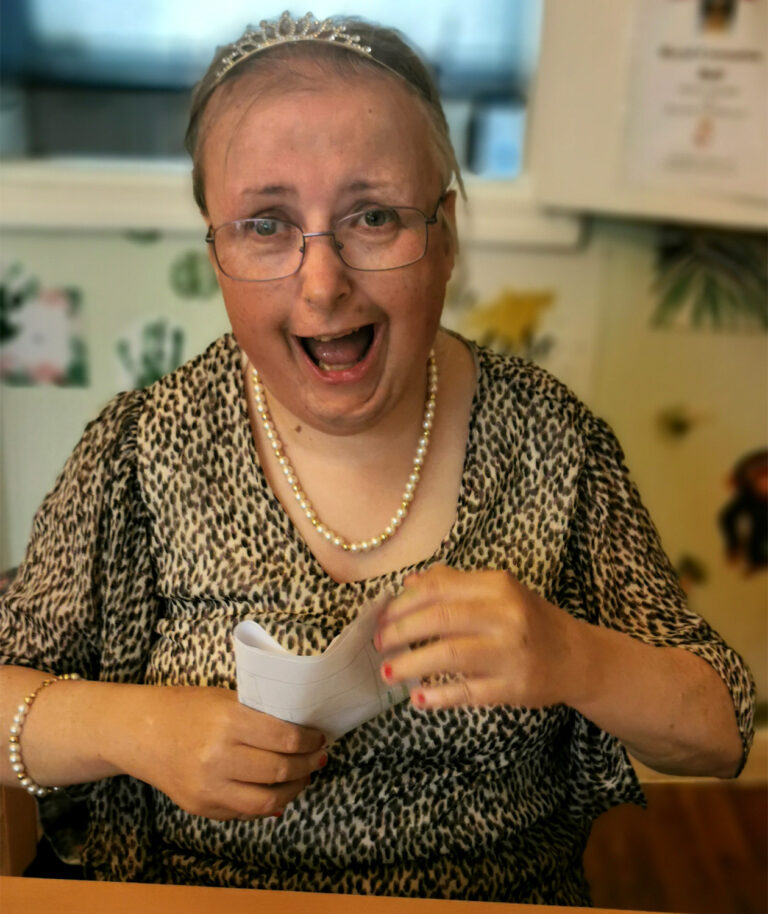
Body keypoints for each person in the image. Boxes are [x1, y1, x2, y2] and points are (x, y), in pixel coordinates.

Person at [0, 11, 754, 905]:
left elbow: (721, 731)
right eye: (266, 225)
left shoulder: (554, 441)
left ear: (446, 235)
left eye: (374, 216)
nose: (323, 285)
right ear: (217, 249)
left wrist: (573, 655)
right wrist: (132, 728)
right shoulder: (139, 452)